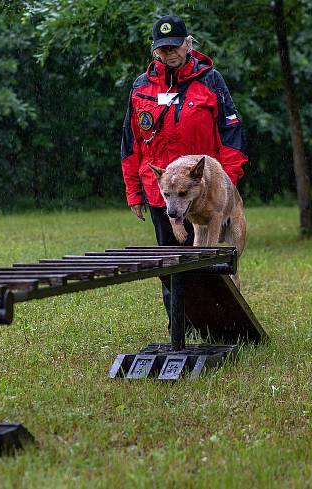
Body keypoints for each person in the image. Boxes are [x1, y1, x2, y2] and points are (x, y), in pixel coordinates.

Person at [120, 15, 248, 332]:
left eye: (175, 47)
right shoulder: (141, 87)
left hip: (204, 193)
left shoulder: (210, 80)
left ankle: (220, 326)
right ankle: (179, 326)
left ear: (188, 44)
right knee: (171, 267)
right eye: (163, 50)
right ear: (154, 52)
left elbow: (232, 134)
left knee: (210, 262)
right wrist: (134, 191)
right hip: (161, 193)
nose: (170, 54)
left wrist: (228, 184)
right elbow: (130, 142)